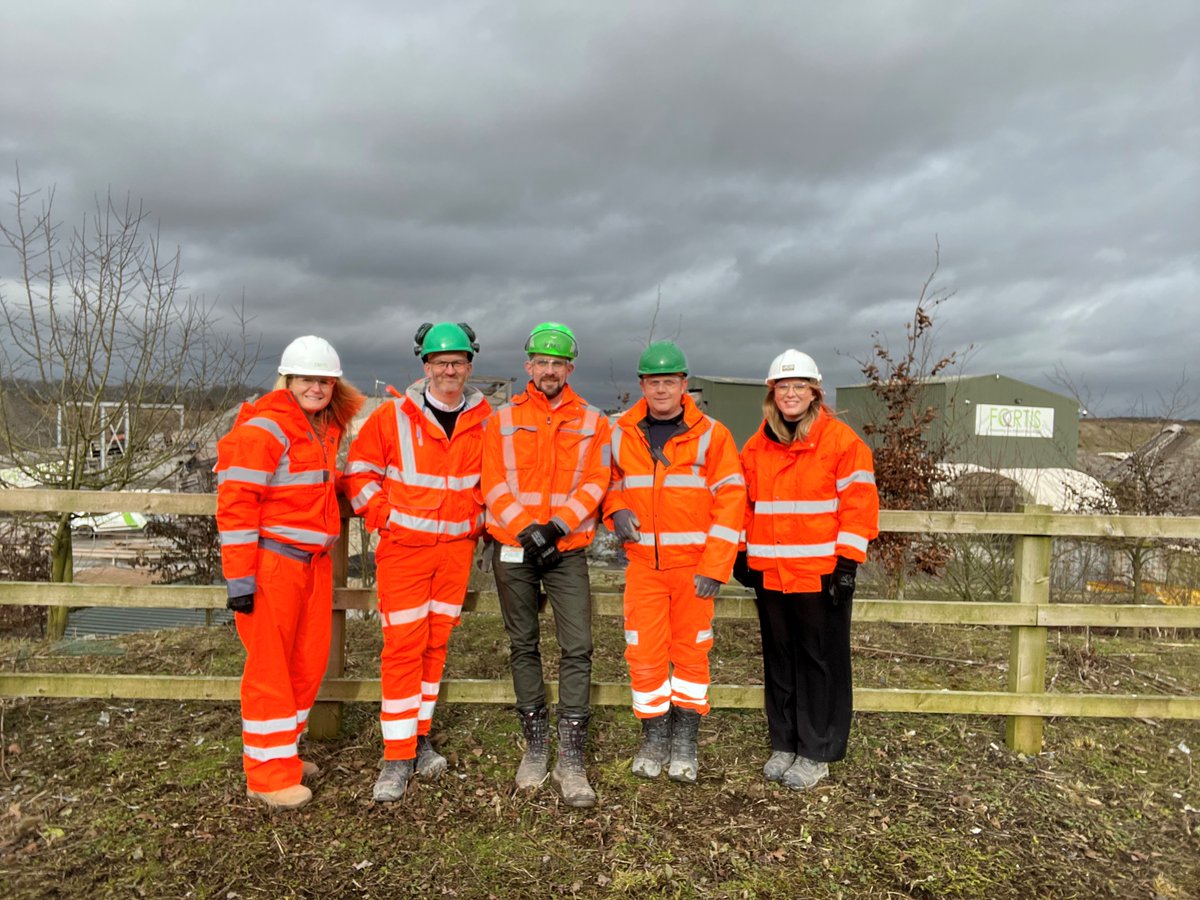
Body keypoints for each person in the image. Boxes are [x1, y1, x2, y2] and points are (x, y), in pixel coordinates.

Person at [215, 335, 365, 810]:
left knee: (306, 664)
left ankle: (283, 754)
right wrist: (241, 581)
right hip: (272, 567)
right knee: (270, 672)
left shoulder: (320, 428)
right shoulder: (266, 429)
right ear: (288, 380)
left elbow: (315, 485)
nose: (317, 387)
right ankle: (267, 777)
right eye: (307, 379)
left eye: (324, 380)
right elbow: (236, 507)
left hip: (313, 566)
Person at [344, 322, 491, 802]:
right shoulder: (392, 418)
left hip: (454, 555)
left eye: (458, 362)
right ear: (424, 366)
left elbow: (496, 481)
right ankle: (396, 756)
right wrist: (386, 517)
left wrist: (481, 520)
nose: (449, 370)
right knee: (402, 650)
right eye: (440, 362)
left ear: (470, 366)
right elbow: (359, 474)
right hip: (404, 555)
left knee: (434, 648)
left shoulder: (487, 418)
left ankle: (419, 737)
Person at [736, 349, 879, 790]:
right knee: (780, 659)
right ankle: (785, 741)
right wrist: (741, 552)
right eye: (783, 387)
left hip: (822, 575)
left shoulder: (841, 443)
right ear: (772, 394)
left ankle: (817, 750)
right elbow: (742, 504)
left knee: (820, 662)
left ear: (814, 392)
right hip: (771, 572)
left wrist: (848, 564)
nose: (791, 394)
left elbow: (858, 507)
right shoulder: (757, 446)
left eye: (799, 386)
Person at [481, 322, 611, 808]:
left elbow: (598, 479)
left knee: (578, 645)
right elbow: (491, 480)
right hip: (514, 547)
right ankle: (536, 746)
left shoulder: (595, 420)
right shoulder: (500, 419)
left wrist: (555, 528)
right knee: (524, 643)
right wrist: (525, 529)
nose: (549, 370)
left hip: (566, 548)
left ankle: (570, 756)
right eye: (541, 362)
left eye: (558, 363)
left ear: (570, 368)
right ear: (528, 366)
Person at [604, 341, 745, 784]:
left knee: (691, 653)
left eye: (669, 381)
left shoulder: (712, 435)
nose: (661, 389)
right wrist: (613, 508)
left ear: (684, 384)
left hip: (694, 570)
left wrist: (715, 566)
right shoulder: (619, 432)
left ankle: (685, 739)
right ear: (641, 384)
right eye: (652, 381)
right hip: (644, 566)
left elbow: (731, 501)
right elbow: (603, 482)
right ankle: (653, 736)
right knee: (643, 654)